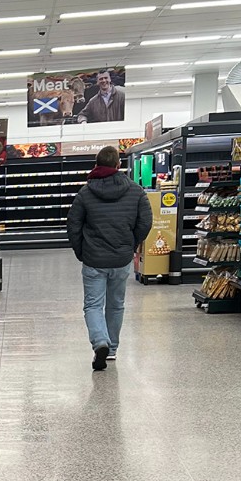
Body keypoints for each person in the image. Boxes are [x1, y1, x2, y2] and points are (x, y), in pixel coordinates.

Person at [66, 144, 153, 371]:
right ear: (119, 165)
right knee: (116, 305)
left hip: (94, 259)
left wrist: (81, 251)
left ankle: (100, 342)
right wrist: (131, 244)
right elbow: (145, 223)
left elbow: (73, 225)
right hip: (121, 259)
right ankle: (111, 348)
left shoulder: (85, 193)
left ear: (96, 165)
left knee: (93, 305)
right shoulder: (136, 191)